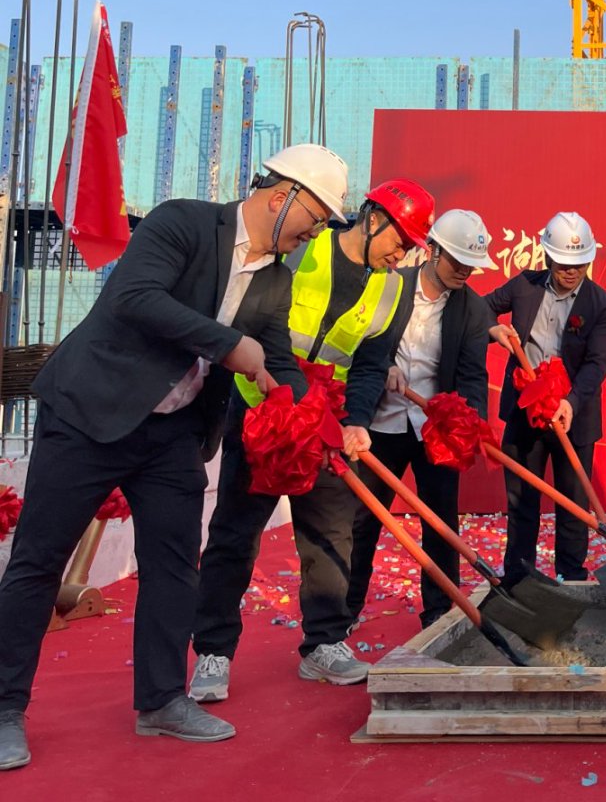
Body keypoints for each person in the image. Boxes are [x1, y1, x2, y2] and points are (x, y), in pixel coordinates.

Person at [0, 143, 349, 768]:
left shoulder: (275, 279)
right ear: (283, 196)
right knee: (38, 562)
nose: (315, 234)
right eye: (315, 219)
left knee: (174, 565)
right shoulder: (182, 222)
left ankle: (161, 700)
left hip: (174, 433)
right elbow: (135, 297)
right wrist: (228, 344)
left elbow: (275, 358)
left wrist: (314, 417)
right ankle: (4, 709)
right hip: (91, 413)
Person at [189, 177, 435, 702]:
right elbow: (250, 320)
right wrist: (276, 395)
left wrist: (357, 421)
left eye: (412, 247)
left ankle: (324, 642)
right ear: (373, 218)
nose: (402, 254)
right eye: (400, 241)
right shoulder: (304, 247)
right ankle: (213, 651)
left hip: (328, 420)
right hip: (262, 407)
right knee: (235, 534)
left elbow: (370, 364)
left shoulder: (394, 288)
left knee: (331, 532)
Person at [344, 209, 498, 629]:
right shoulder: (390, 286)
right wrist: (383, 366)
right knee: (362, 520)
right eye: (458, 261)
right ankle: (344, 611)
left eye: (471, 265)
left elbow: (472, 375)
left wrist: (471, 423)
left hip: (435, 430)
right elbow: (357, 343)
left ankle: (439, 613)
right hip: (381, 422)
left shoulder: (472, 310)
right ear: (433, 251)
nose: (464, 272)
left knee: (440, 521)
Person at [486, 212, 606, 582]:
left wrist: (570, 402)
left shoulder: (601, 304)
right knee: (522, 501)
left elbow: (597, 363)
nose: (571, 271)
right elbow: (479, 308)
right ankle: (519, 578)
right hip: (525, 412)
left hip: (571, 416)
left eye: (579, 263)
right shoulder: (524, 286)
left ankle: (571, 578)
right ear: (547, 256)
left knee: (573, 505)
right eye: (563, 263)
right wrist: (492, 328)